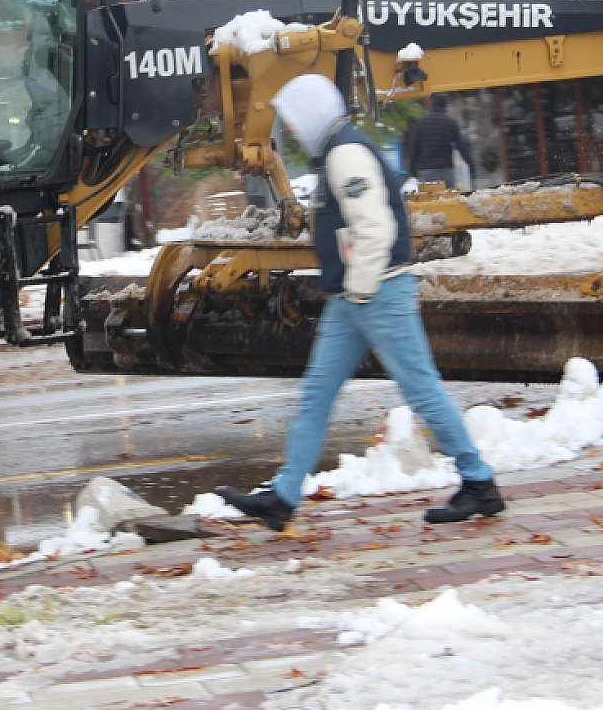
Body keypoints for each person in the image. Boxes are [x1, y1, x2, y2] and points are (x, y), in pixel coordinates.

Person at [215, 75, 504, 530]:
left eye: (293, 118)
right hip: (354, 295)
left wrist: (364, 289)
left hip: (379, 292)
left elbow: (376, 228)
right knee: (317, 394)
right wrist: (355, 291)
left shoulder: (346, 154)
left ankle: (479, 482)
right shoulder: (335, 151)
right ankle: (285, 494)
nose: (289, 128)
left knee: (421, 390)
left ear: (312, 114)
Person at [405, 96, 474, 189]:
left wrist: (412, 170)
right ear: (445, 106)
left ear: (432, 104)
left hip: (427, 171)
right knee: (449, 199)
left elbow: (414, 148)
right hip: (446, 170)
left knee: (431, 199)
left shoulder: (421, 123)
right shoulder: (450, 122)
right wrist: (471, 166)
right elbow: (461, 147)